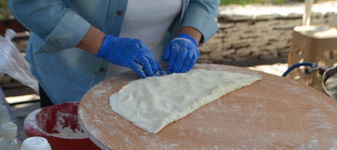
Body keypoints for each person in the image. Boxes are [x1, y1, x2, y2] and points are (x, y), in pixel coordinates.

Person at [9, 0, 220, 106]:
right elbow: (31, 4)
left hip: (153, 82)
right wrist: (104, 44)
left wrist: (189, 35)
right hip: (73, 76)